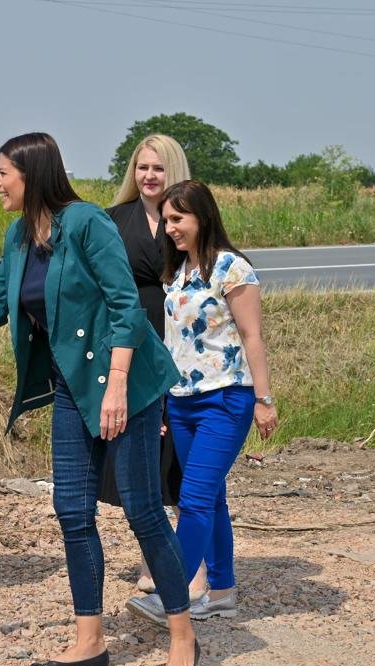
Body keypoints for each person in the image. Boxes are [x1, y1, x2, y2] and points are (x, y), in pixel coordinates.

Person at [0, 133, 199, 666]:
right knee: (72, 510)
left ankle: (183, 635)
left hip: (128, 383)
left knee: (142, 509)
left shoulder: (86, 222)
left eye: (3, 173)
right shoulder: (19, 235)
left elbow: (126, 307)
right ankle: (90, 639)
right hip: (72, 387)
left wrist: (117, 386)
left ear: (32, 175)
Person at [126, 180, 278, 629]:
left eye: (178, 219)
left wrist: (264, 399)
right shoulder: (177, 272)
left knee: (192, 500)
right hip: (182, 402)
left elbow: (252, 336)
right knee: (211, 499)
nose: (170, 227)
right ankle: (223, 592)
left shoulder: (231, 268)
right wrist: (162, 402)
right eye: (166, 220)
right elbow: (174, 345)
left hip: (226, 398)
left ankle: (172, 594)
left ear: (202, 216)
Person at [96, 134, 207, 601]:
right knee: (141, 453)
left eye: (158, 168)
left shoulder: (186, 218)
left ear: (173, 171)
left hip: (181, 340)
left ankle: (192, 562)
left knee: (180, 452)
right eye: (142, 167)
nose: (149, 176)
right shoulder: (112, 219)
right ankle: (153, 553)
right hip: (131, 341)